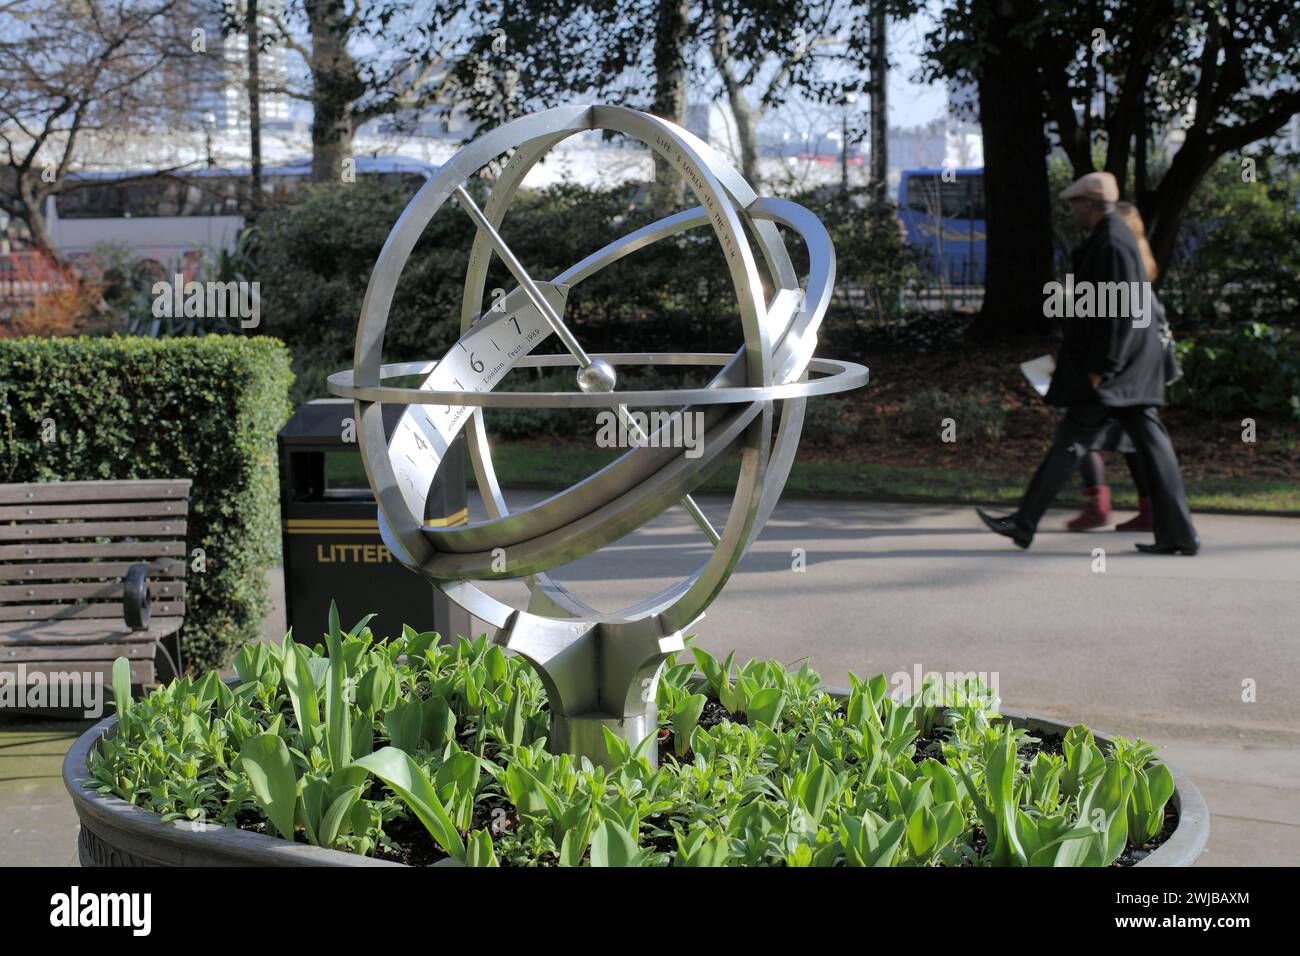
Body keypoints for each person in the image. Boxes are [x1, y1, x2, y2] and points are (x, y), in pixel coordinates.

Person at [976, 172, 1199, 555]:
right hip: (1128, 367)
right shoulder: (1113, 238)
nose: (1073, 210)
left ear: (1091, 205)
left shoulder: (1111, 241)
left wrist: (1103, 367)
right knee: (1142, 445)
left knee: (1073, 440)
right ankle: (1178, 534)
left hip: (1116, 370)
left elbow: (1120, 311)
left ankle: (1024, 523)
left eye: (1076, 204)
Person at [1065, 202, 1161, 532]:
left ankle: (1097, 503)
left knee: (1083, 433)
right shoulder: (1140, 260)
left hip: (1116, 366)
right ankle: (1147, 507)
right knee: (1132, 439)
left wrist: (1098, 365)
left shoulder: (1114, 258)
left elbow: (1111, 319)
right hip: (1138, 367)